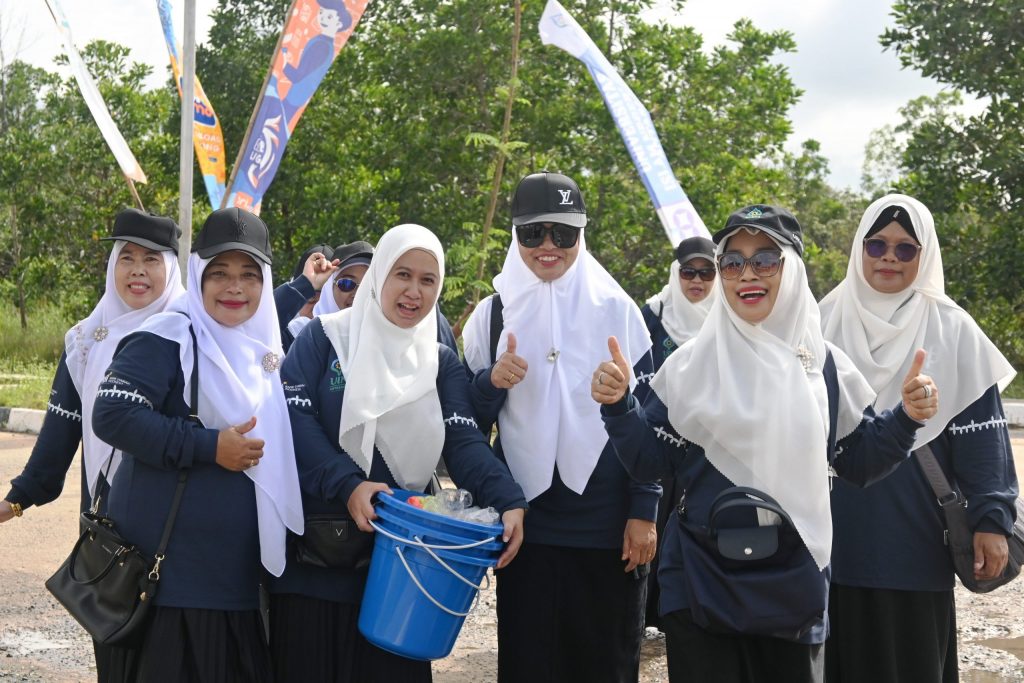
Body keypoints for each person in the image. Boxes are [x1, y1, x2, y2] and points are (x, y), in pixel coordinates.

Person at [592, 205, 940, 683]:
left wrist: (906, 419)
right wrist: (619, 407)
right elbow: (651, 460)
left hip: (793, 582)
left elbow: (859, 461)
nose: (747, 274)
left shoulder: (825, 365)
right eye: (732, 262)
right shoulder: (691, 364)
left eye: (765, 260)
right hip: (700, 580)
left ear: (792, 270)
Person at [269, 223, 527, 682]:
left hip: (404, 568)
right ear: (380, 277)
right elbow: (295, 424)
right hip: (316, 562)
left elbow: (463, 440)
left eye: (428, 280)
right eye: (402, 274)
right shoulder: (324, 339)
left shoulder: (439, 360)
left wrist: (507, 499)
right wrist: (347, 484)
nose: (413, 291)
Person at [91, 207, 304, 682]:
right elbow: (113, 413)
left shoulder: (266, 356)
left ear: (265, 284)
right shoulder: (167, 336)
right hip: (167, 584)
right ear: (198, 277)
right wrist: (210, 447)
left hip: (234, 583)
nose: (235, 288)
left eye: (249, 275)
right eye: (220, 273)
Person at [462, 171, 659, 683]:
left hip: (607, 524)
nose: (548, 247)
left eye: (562, 234)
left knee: (605, 662)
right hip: (527, 525)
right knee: (530, 662)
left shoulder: (618, 309)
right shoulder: (491, 315)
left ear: (581, 235)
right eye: (533, 234)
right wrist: (490, 384)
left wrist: (644, 509)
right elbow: (465, 430)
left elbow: (655, 424)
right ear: (515, 235)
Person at [819, 194, 1018, 683]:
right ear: (858, 249)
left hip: (914, 539)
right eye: (878, 245)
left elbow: (982, 435)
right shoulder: (820, 322)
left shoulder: (952, 329)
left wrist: (992, 518)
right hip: (830, 540)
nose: (889, 257)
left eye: (907, 249)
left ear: (925, 256)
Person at [0, 208, 184, 681]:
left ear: (173, 267)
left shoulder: (194, 335)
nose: (138, 271)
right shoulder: (85, 340)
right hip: (113, 530)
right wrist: (17, 498)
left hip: (183, 529)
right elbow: (62, 430)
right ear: (111, 266)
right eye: (127, 258)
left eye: (152, 259)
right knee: (118, 651)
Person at [639, 235, 716, 629]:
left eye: (707, 272)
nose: (697, 281)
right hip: (659, 433)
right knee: (653, 515)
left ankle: (681, 612)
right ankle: (649, 610)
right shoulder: (653, 314)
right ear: (676, 272)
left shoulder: (727, 316)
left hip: (706, 439)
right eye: (689, 271)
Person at [275, 243, 338, 352]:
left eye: (325, 301)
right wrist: (304, 284)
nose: (317, 309)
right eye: (311, 300)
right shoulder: (281, 336)